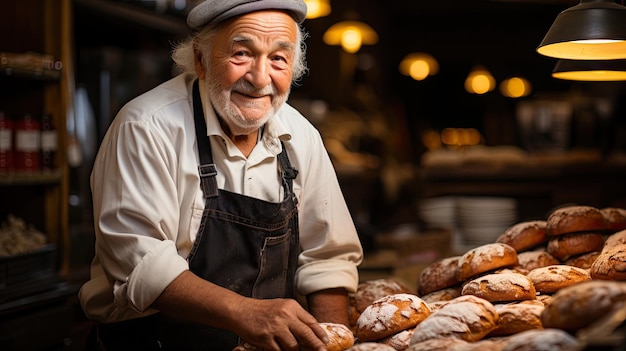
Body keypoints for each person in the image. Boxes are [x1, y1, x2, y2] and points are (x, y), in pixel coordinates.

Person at [78, 0, 363, 350]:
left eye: (278, 58)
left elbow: (327, 259)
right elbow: (141, 266)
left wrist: (333, 340)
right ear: (201, 58)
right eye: (242, 53)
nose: (260, 79)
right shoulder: (146, 127)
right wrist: (247, 312)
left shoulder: (301, 136)